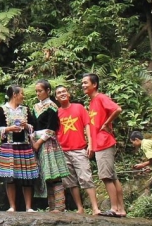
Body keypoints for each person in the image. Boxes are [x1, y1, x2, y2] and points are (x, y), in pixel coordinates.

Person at [82, 73, 126, 218]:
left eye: (85, 83)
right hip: (100, 144)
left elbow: (117, 109)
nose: (83, 85)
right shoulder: (92, 102)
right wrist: (92, 146)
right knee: (113, 177)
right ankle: (121, 209)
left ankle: (114, 208)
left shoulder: (100, 97)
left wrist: (107, 123)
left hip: (104, 142)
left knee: (106, 177)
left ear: (94, 84)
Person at [54, 85, 101, 215]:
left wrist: (90, 144)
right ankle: (80, 208)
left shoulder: (78, 108)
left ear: (68, 94)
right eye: (59, 93)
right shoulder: (56, 113)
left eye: (64, 91)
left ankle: (95, 208)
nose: (62, 93)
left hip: (79, 149)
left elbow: (87, 125)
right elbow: (54, 132)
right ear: (56, 97)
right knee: (70, 182)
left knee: (86, 177)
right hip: (63, 151)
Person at [0, 84, 40, 212]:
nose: (23, 96)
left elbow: (34, 125)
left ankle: (28, 207)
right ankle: (12, 206)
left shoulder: (25, 110)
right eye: (21, 94)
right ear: (15, 95)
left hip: (24, 146)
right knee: (10, 178)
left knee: (27, 177)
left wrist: (26, 126)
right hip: (9, 147)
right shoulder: (2, 110)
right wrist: (8, 129)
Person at [32, 79, 70, 212]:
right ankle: (52, 205)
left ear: (48, 91)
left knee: (54, 174)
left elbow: (52, 127)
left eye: (40, 91)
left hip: (48, 143)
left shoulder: (52, 106)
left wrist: (39, 141)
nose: (38, 93)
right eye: (36, 91)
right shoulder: (35, 107)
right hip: (37, 142)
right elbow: (34, 126)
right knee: (45, 175)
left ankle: (60, 206)